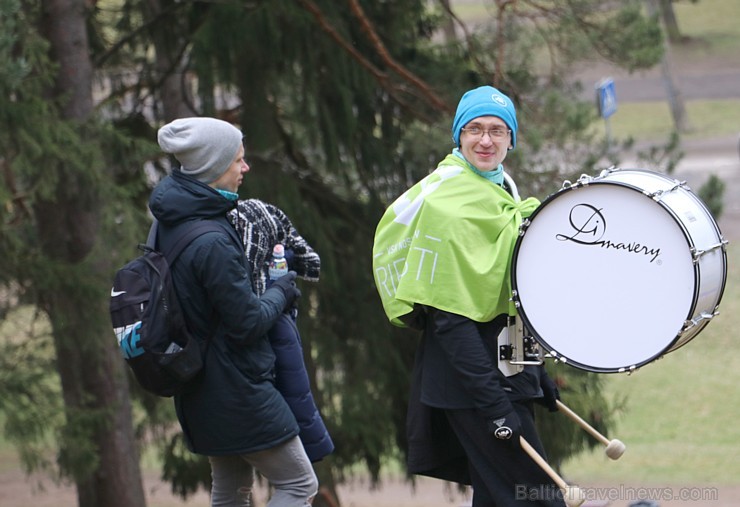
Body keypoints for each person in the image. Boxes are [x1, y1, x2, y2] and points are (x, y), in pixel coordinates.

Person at [372, 86, 565, 506]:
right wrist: (494, 406)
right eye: (474, 129)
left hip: (505, 375)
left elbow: (506, 296)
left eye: (498, 130)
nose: (485, 140)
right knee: (537, 499)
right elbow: (450, 322)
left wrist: (535, 372)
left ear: (512, 139)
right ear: (458, 135)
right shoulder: (447, 204)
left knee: (498, 499)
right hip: (472, 384)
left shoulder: (501, 192)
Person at [150, 117, 318, 507]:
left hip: (197, 387)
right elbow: (247, 324)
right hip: (238, 391)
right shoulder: (211, 239)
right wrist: (282, 288)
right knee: (298, 485)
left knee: (230, 490)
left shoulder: (168, 221)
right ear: (212, 167)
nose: (246, 168)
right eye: (237, 160)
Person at [228, 198, 334, 463]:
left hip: (224, 409)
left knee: (229, 486)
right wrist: (315, 443)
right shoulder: (276, 309)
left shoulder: (251, 297)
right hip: (254, 408)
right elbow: (295, 388)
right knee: (301, 483)